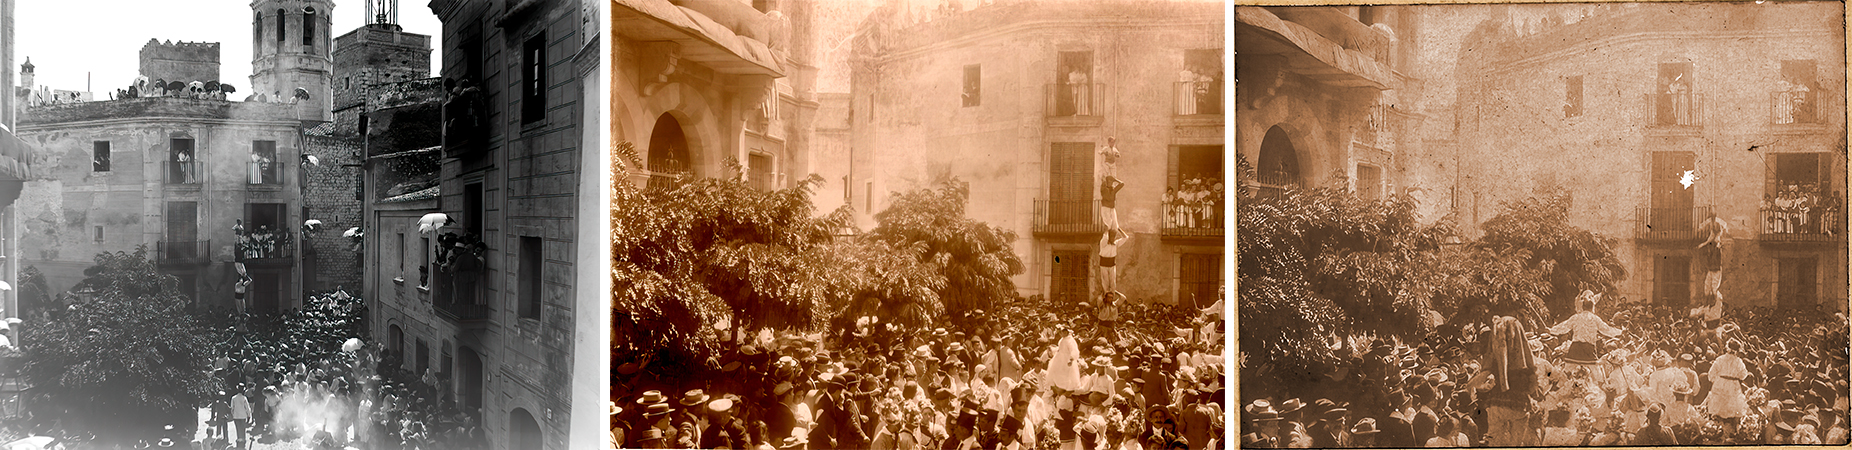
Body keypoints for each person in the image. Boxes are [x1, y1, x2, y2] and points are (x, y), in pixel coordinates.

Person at [1548, 290, 1623, 367]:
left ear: (1582, 306)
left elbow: (1563, 327)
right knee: (1597, 377)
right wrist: (1621, 332)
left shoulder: (1576, 317)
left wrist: (1551, 330)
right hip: (1588, 351)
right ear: (1593, 307)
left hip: (1575, 351)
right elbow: (1607, 330)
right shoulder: (1595, 319)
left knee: (1568, 375)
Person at [1696, 210, 1727, 296]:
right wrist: (1703, 244)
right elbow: (1710, 236)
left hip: (1717, 238)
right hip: (1714, 238)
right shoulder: (1711, 223)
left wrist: (1718, 242)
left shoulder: (1717, 223)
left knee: (1714, 247)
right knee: (1709, 246)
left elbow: (1719, 233)